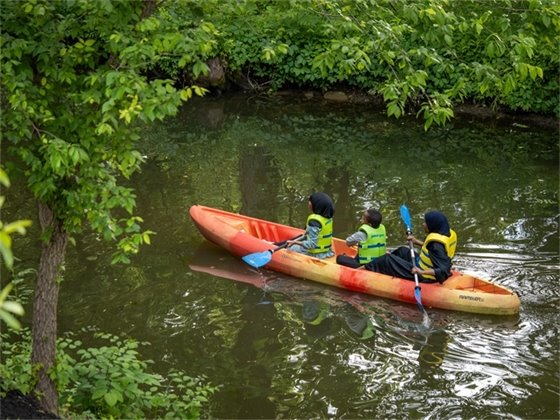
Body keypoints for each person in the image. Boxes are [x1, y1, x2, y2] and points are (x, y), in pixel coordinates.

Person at [366, 210, 457, 284]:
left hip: (426, 276)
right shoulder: (445, 232)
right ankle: (386, 266)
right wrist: (416, 241)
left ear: (433, 225)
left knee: (387, 259)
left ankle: (364, 269)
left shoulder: (436, 244)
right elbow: (433, 250)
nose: (424, 224)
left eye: (426, 222)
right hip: (421, 264)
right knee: (402, 250)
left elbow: (444, 271)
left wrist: (421, 272)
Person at [287, 192, 335, 259]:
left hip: (314, 254)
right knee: (294, 242)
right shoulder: (328, 218)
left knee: (290, 248)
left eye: (311, 201)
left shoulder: (314, 221)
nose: (309, 203)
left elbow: (311, 245)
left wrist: (295, 242)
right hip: (326, 252)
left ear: (318, 204)